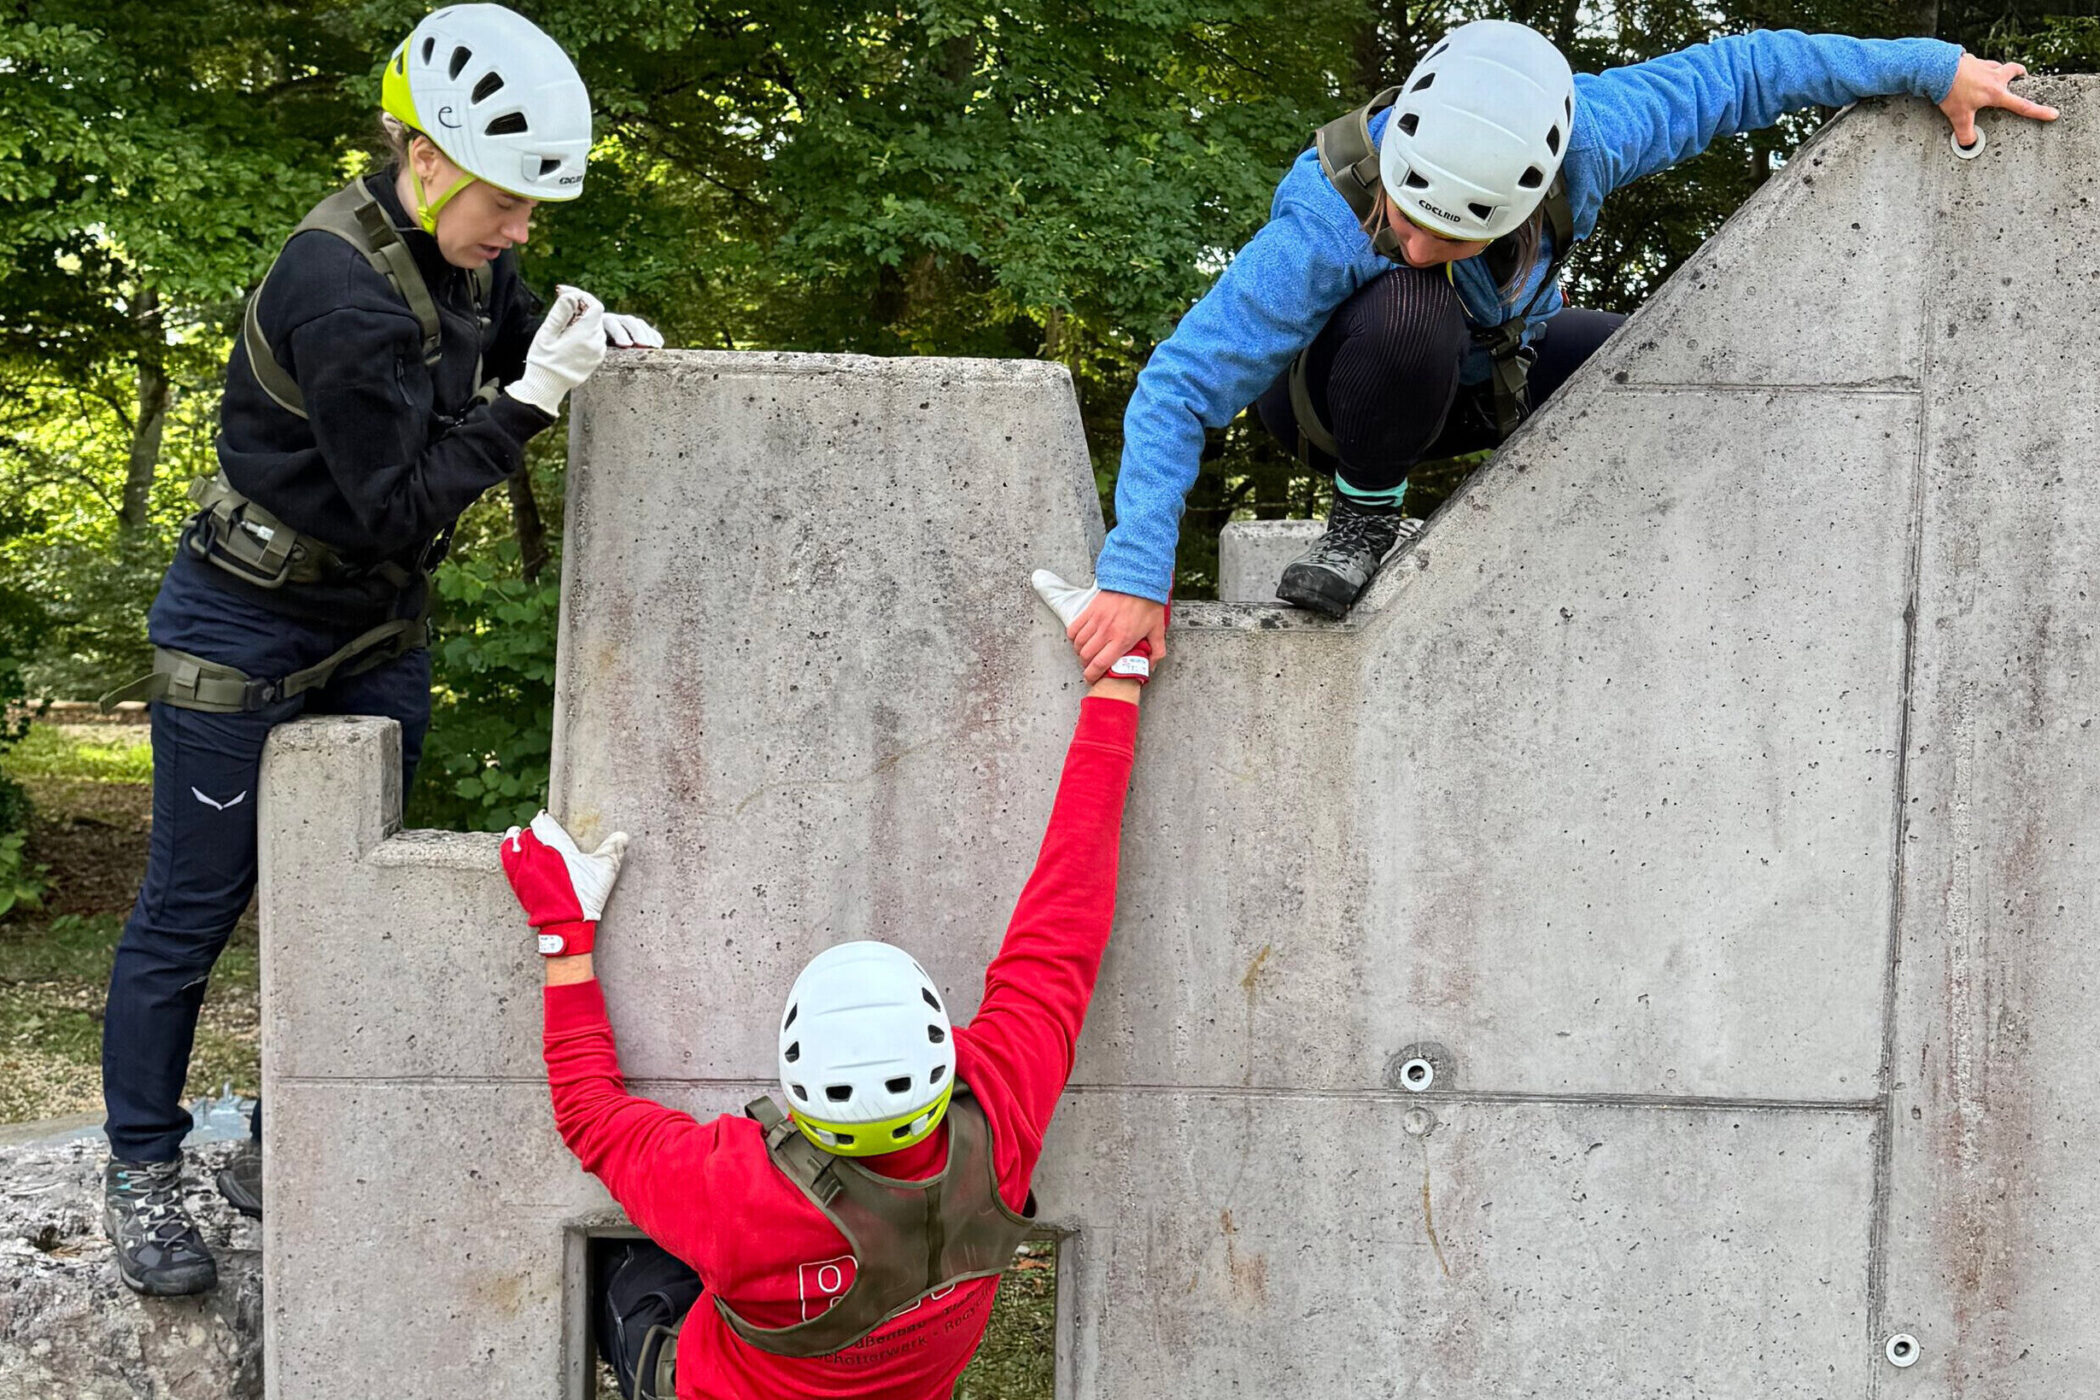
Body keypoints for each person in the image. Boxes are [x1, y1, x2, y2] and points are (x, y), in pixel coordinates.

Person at [96, 3, 664, 1297]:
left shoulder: (460, 258)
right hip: (240, 626)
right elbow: (400, 500)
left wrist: (587, 334)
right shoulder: (335, 288)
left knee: (349, 892)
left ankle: (284, 1130)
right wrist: (533, 403)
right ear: (427, 161)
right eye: (508, 203)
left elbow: (513, 335)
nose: (520, 231)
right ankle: (141, 1163)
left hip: (369, 630)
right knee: (191, 912)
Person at [1058, 21, 2057, 659]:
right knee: (1411, 300)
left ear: (1528, 194)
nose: (1408, 235)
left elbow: (1751, 69)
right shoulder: (1327, 220)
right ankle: (1364, 519)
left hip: (1487, 375)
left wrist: (1933, 69)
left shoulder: (1594, 136)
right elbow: (1181, 384)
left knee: (1653, 365)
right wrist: (1137, 573)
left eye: (1447, 228)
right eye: (1406, 208)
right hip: (1335, 399)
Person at [500, 575, 1152, 1400]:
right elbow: (1067, 920)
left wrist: (565, 931)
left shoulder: (734, 1188)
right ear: (946, 1055)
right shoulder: (1002, 1112)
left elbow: (590, 1117)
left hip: (715, 1378)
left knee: (629, 1277)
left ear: (794, 1095)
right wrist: (1115, 679)